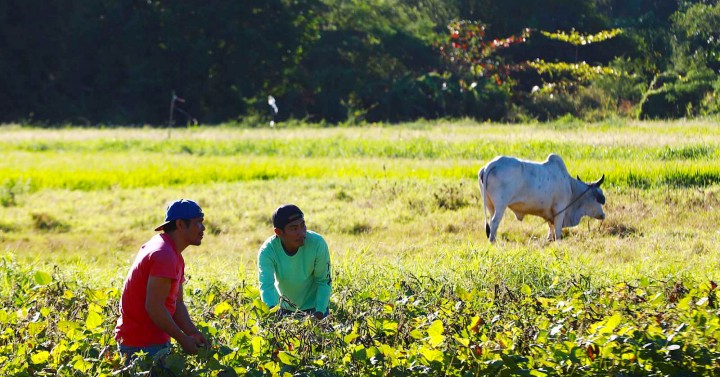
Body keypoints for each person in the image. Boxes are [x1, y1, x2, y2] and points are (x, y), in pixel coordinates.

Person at [115, 199, 209, 364]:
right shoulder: (164, 254)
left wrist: (194, 335)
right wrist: (182, 339)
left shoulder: (172, 253)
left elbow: (177, 304)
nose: (203, 228)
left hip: (149, 342)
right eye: (198, 223)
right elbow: (154, 307)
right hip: (141, 346)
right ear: (180, 224)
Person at [258, 204, 332, 320]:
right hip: (282, 309)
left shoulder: (317, 244)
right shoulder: (268, 251)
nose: (301, 232)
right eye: (294, 228)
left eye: (303, 226)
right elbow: (266, 286)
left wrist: (319, 313)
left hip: (316, 308)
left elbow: (323, 281)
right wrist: (272, 315)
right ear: (278, 232)